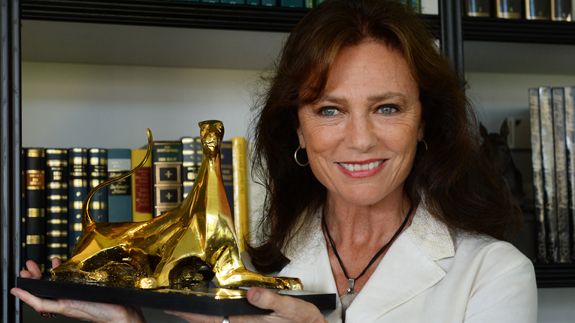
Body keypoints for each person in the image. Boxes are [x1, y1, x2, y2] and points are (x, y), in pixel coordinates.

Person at [11, 0, 537, 322]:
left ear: (423, 123)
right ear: (299, 132)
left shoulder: (492, 274)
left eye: (388, 108)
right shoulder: (255, 265)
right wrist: (128, 321)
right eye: (330, 110)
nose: (360, 139)